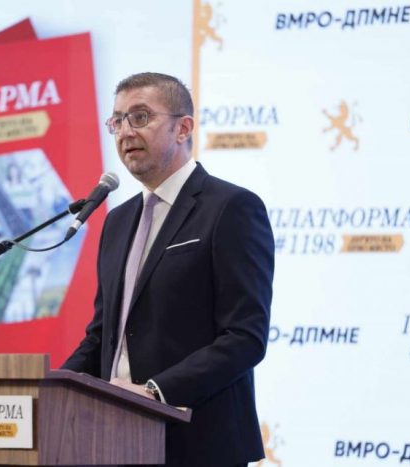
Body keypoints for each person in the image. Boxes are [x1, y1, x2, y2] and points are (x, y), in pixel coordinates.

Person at [62, 72, 274, 467]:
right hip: (113, 439)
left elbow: (245, 336)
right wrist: (51, 392)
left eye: (140, 117)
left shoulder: (230, 208)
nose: (126, 131)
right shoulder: (117, 220)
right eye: (117, 121)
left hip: (199, 443)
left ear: (183, 128)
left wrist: (155, 393)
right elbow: (102, 336)